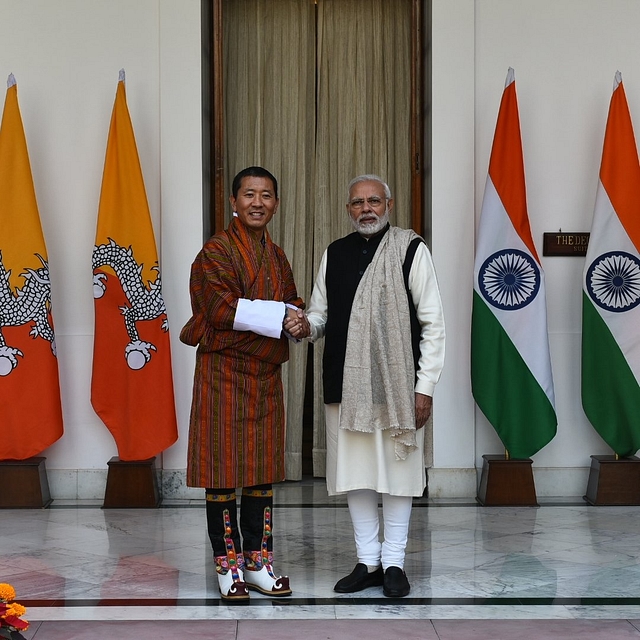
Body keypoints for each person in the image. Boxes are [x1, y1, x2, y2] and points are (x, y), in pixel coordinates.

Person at [287, 174, 445, 598]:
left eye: (374, 200)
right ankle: (368, 562)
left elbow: (433, 323)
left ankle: (394, 562)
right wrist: (304, 325)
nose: (366, 209)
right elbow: (320, 317)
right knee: (355, 474)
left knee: (398, 472)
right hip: (345, 382)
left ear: (389, 206)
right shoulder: (334, 254)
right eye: (357, 202)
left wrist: (424, 386)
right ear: (348, 209)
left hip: (399, 385)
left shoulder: (411, 249)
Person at [180, 166, 308, 601]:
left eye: (267, 195)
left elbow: (290, 298)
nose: (258, 202)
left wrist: (293, 315)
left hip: (265, 376)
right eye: (249, 194)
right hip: (223, 377)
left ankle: (258, 562)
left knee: (261, 472)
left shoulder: (276, 255)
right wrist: (280, 319)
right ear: (233, 202)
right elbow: (219, 310)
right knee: (221, 470)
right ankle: (228, 566)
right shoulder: (215, 251)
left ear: (275, 203)